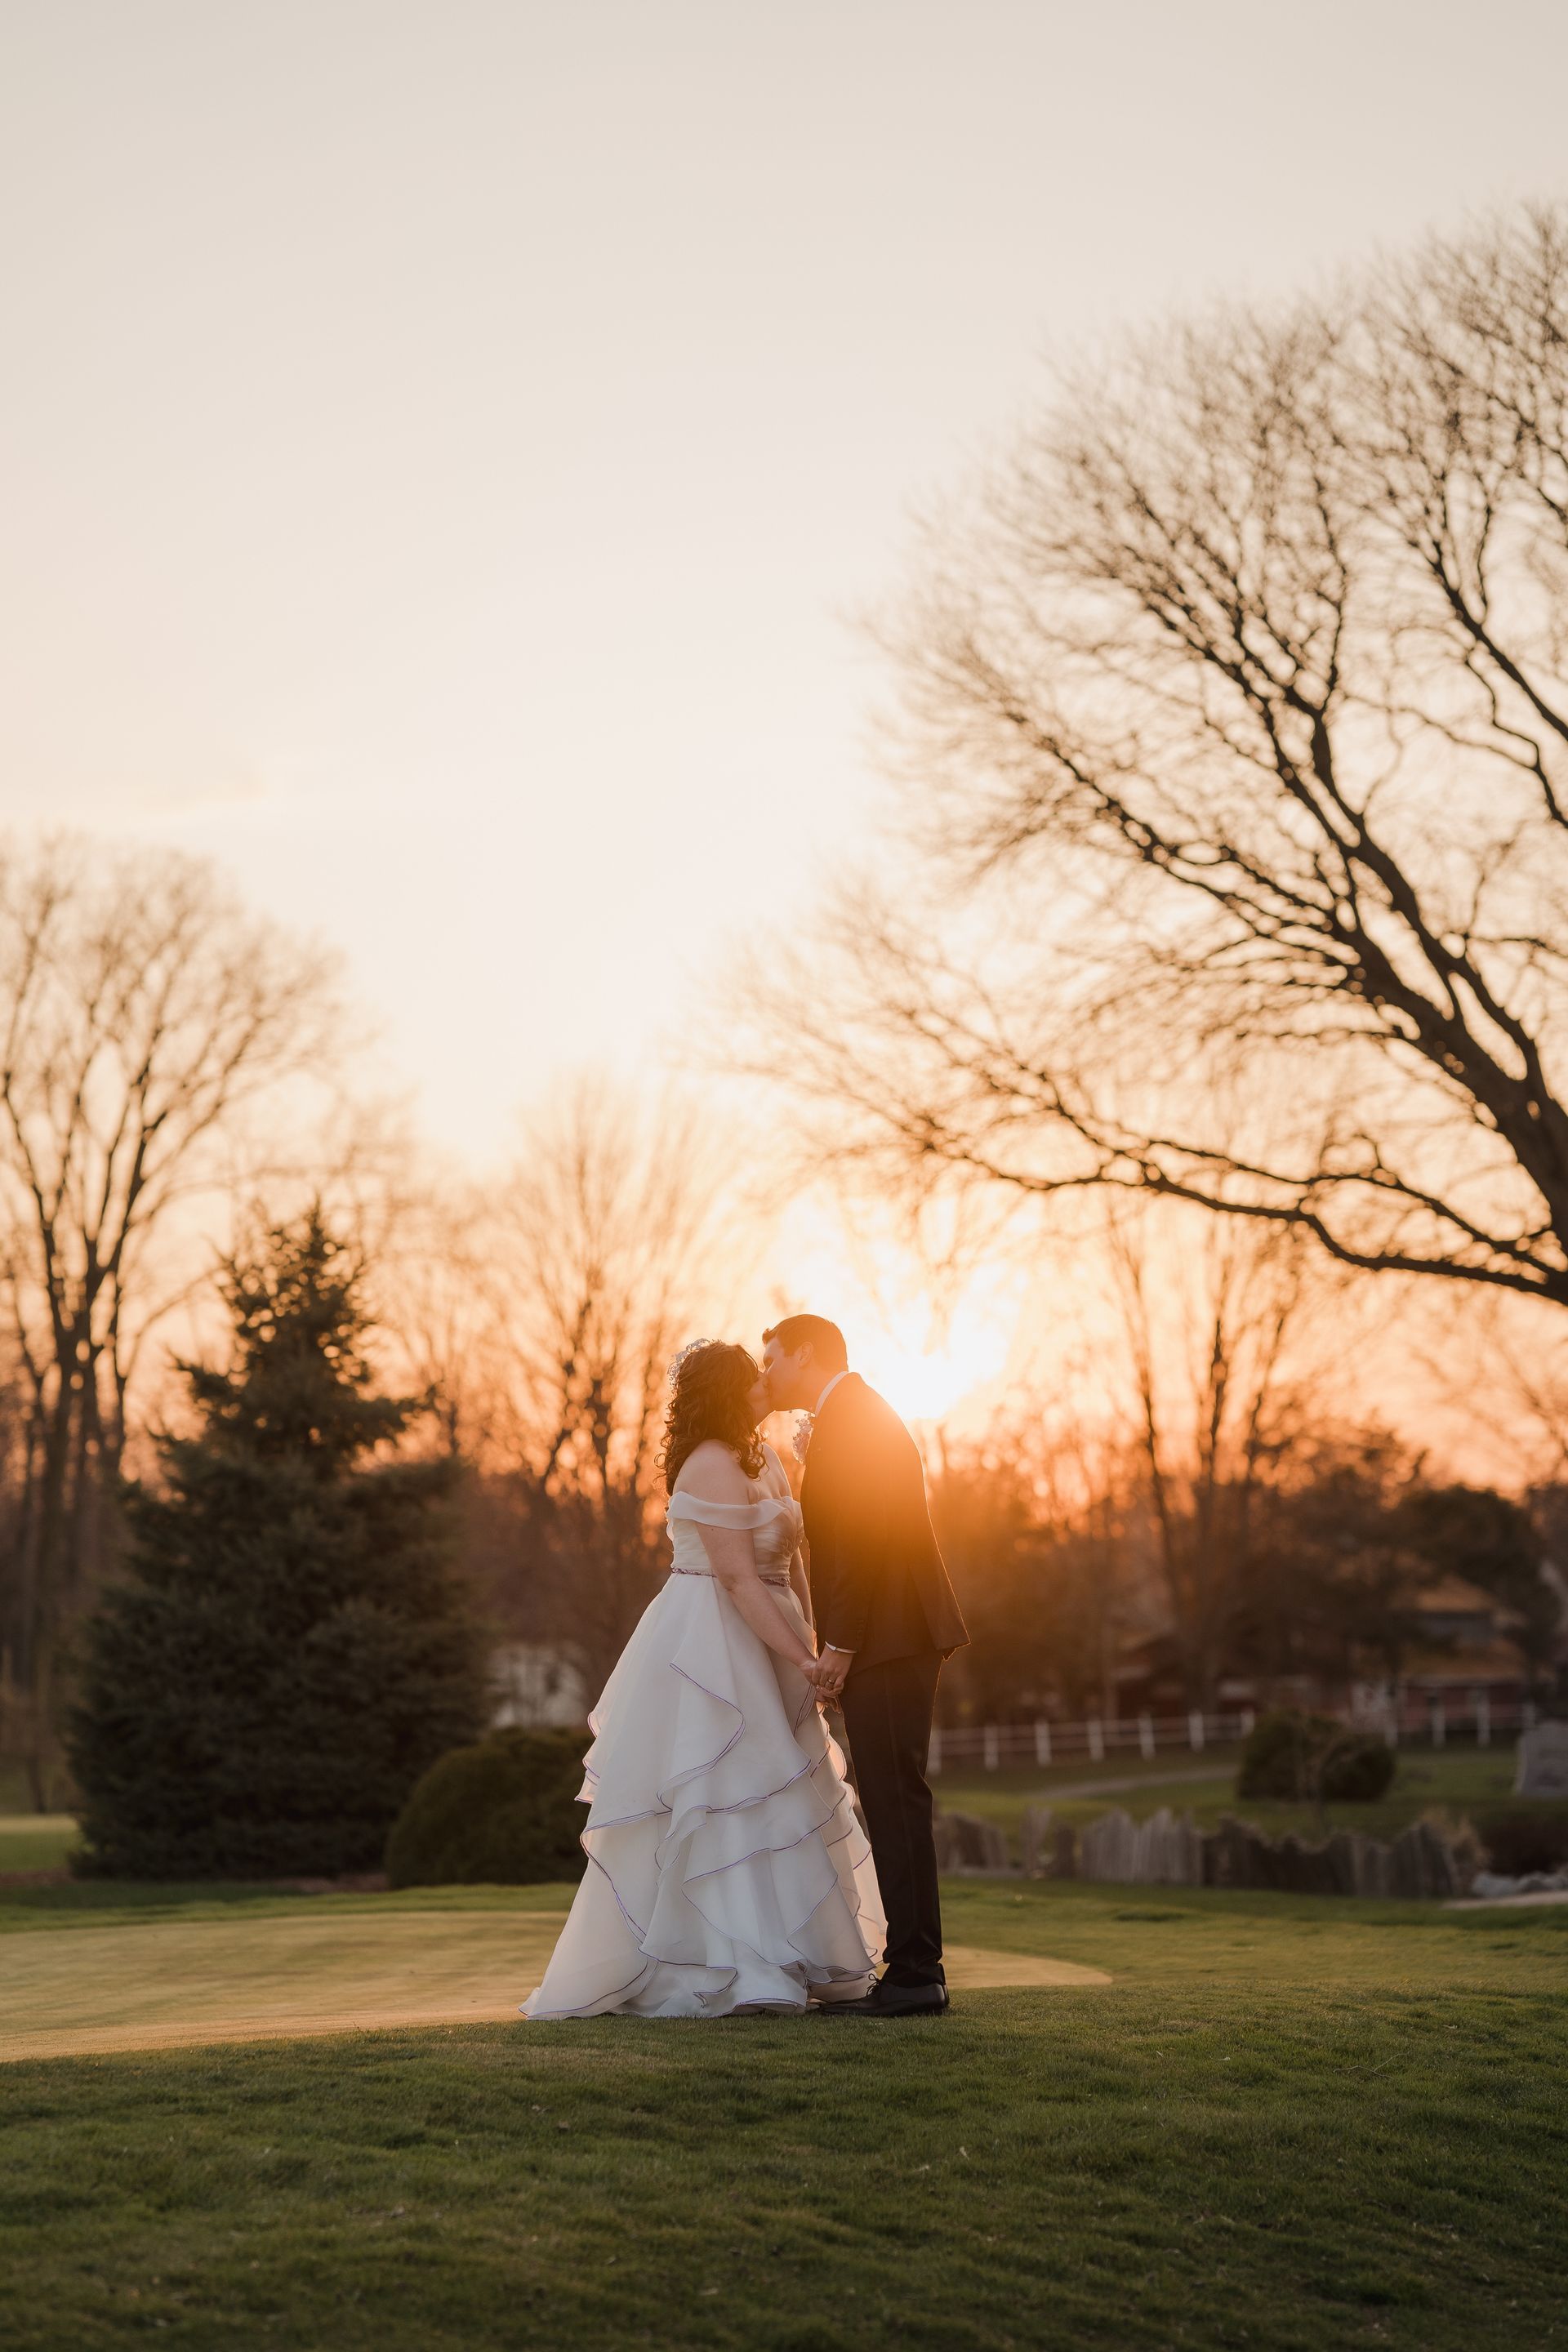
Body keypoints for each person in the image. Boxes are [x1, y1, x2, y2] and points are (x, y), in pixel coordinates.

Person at [521, 1339, 883, 2020]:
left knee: (781, 1796)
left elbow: (790, 1565)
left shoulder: (766, 1454)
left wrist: (810, 1646)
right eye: (752, 1380)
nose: (764, 1387)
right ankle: (728, 1965)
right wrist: (803, 1660)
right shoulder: (711, 1464)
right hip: (712, 1642)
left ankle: (792, 1953)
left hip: (772, 1634)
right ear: (725, 1391)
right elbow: (740, 1580)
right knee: (722, 1789)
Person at [761, 1314, 969, 2017]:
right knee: (892, 1795)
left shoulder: (854, 1420)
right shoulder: (851, 1413)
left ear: (808, 1354)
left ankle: (915, 1973)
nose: (769, 1373)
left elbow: (861, 1544)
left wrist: (839, 1647)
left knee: (895, 1797)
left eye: (775, 1359)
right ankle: (915, 1967)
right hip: (891, 1634)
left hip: (890, 1635)